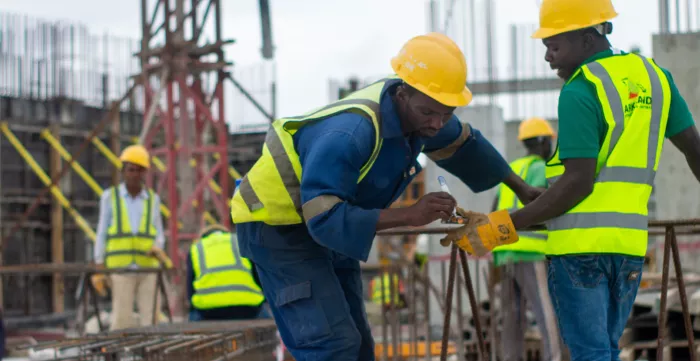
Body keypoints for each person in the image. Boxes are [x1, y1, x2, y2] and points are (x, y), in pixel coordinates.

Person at [230, 32, 542, 360]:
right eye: (430, 113)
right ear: (402, 92)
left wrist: (522, 188)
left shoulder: (423, 112)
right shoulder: (349, 134)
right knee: (332, 345)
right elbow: (323, 217)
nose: (438, 124)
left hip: (328, 219)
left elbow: (466, 144)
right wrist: (411, 215)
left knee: (360, 347)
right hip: (278, 227)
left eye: (447, 113)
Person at [442, 1, 700, 359]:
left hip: (580, 254)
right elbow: (694, 148)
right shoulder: (656, 78)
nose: (548, 57)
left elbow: (579, 183)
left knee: (590, 354)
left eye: (554, 45)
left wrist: (496, 228)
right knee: (606, 351)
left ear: (586, 37)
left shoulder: (581, 89)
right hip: (628, 250)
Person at [491, 117, 561, 361]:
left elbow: (494, 208)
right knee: (546, 312)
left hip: (504, 252)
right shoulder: (541, 168)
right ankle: (555, 358)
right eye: (549, 142)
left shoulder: (513, 169)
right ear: (542, 142)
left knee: (512, 317)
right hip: (531, 250)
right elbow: (550, 204)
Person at [91, 145, 166, 330]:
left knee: (151, 319)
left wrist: (158, 246)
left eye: (139, 170)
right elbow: (101, 231)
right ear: (123, 171)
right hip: (121, 268)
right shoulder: (110, 197)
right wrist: (99, 264)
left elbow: (158, 232)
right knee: (121, 319)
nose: (134, 174)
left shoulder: (152, 199)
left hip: (147, 267)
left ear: (145, 173)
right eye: (131, 169)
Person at [187, 224, 265, 321]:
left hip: (209, 310)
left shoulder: (196, 248)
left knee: (193, 315)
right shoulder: (238, 241)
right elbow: (259, 277)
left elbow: (190, 289)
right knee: (267, 315)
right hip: (247, 307)